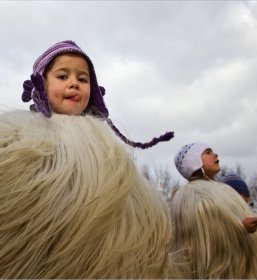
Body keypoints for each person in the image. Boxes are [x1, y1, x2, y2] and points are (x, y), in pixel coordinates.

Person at [0, 40, 173, 278]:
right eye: (62, 76)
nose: (74, 83)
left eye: (83, 79)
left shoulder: (102, 142)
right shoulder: (23, 134)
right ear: (40, 82)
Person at [169, 142, 257, 279]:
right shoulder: (193, 194)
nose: (215, 154)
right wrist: (240, 228)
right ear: (194, 162)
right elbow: (205, 232)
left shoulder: (219, 188)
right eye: (208, 153)